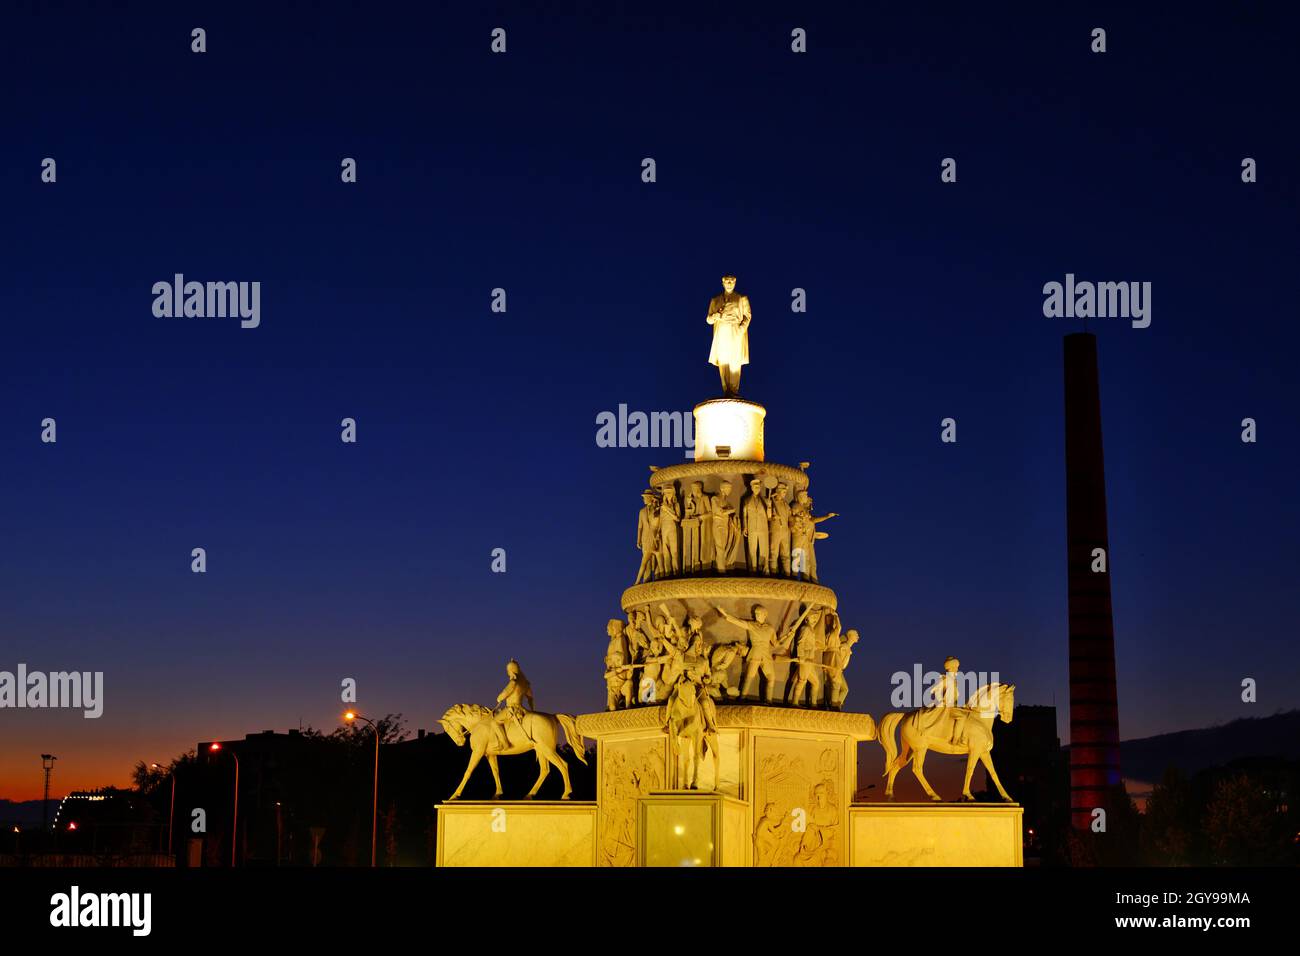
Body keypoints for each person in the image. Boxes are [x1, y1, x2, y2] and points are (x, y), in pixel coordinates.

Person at [705, 274, 752, 396]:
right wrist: (715, 316)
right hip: (721, 331)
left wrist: (741, 329)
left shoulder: (741, 298)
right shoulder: (715, 300)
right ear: (723, 283)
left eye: (731, 281)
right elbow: (708, 320)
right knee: (723, 360)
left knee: (734, 360)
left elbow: (747, 316)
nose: (729, 284)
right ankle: (726, 389)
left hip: (735, 330)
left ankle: (734, 389)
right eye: (727, 282)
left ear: (735, 283)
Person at [492, 659, 534, 751]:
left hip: (511, 709)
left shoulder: (513, 682)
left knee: (494, 722)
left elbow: (504, 693)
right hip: (522, 709)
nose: (507, 673)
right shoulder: (525, 684)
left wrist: (499, 698)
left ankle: (505, 743)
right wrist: (532, 710)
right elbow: (530, 698)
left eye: (508, 671)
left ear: (511, 670)